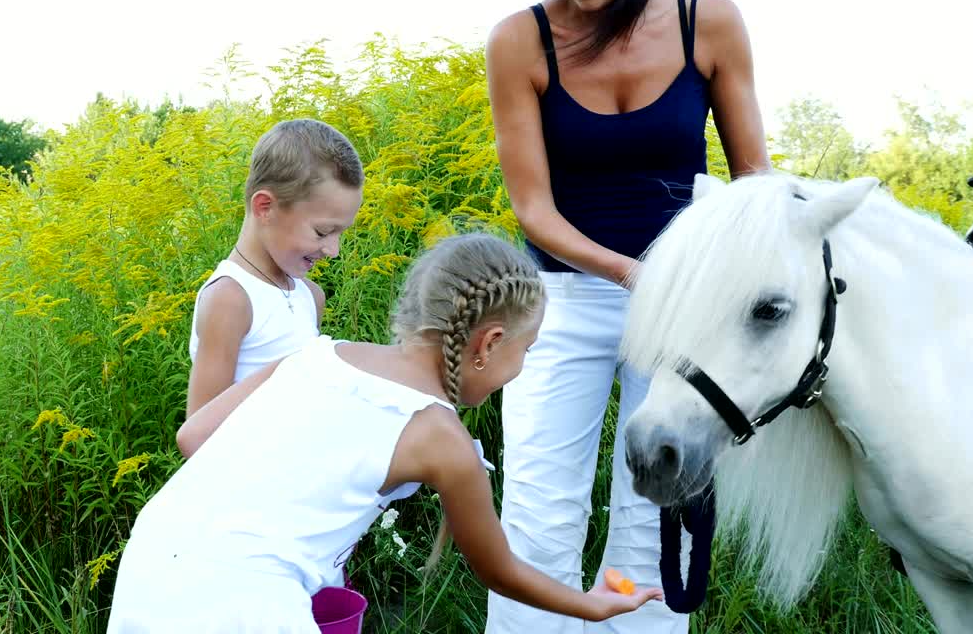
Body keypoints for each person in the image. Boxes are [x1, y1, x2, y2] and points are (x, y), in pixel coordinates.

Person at [105, 233, 663, 633]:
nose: (521, 366)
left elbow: (195, 436)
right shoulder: (439, 437)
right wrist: (591, 606)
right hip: (250, 604)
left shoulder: (319, 355)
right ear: (490, 343)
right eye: (527, 349)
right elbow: (499, 570)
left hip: (152, 566)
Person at [483, 0, 771, 632]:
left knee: (657, 510)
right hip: (559, 301)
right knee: (539, 509)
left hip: (681, 312)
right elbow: (534, 210)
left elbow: (752, 182)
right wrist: (629, 272)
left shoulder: (710, 21)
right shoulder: (520, 40)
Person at [186, 118, 364, 417]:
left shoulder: (310, 295)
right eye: (322, 232)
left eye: (340, 234)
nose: (333, 251)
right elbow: (199, 433)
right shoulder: (230, 299)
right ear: (265, 207)